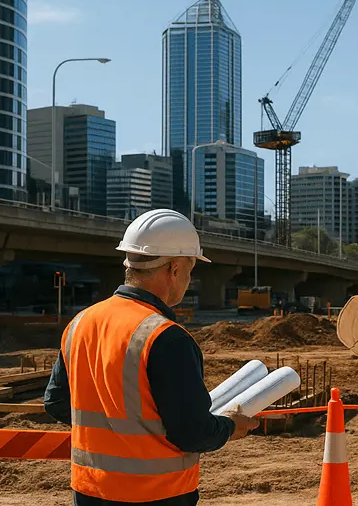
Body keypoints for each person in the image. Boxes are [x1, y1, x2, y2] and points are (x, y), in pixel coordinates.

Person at [44, 209, 259, 505]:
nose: (188, 280)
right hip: (157, 494)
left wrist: (114, 431)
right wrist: (232, 425)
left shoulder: (80, 323)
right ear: (173, 269)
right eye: (189, 271)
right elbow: (194, 433)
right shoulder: (167, 337)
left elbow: (56, 403)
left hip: (90, 491)